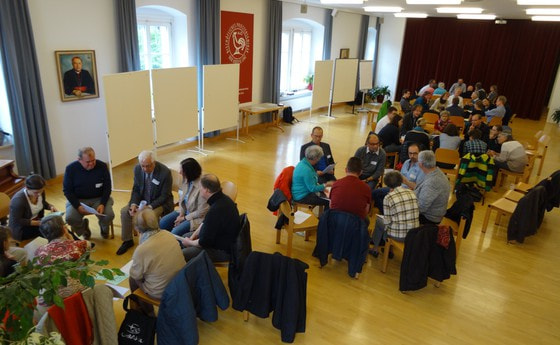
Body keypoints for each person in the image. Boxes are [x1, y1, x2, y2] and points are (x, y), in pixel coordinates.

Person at [117, 150, 174, 255]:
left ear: (154, 163)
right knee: (125, 212)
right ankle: (127, 240)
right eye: (143, 166)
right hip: (143, 200)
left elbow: (164, 196)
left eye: (148, 166)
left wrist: (149, 207)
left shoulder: (164, 172)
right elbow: (136, 189)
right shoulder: (137, 169)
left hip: (160, 203)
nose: (145, 169)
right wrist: (133, 204)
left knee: (150, 216)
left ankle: (150, 244)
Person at [181, 174, 240, 262]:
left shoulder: (216, 209)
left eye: (200, 187)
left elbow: (204, 242)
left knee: (182, 254)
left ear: (207, 190)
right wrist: (192, 237)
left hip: (222, 250)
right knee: (185, 236)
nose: (199, 189)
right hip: (219, 239)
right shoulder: (222, 199)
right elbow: (205, 223)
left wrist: (189, 243)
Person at [129, 209, 185, 300]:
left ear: (137, 229)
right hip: (180, 284)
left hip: (161, 292)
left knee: (132, 279)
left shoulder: (142, 249)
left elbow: (136, 276)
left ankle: (145, 311)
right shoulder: (169, 234)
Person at [63, 147, 114, 239]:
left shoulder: (102, 166)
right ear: (79, 160)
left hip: (99, 199)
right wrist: (77, 206)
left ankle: (104, 228)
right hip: (78, 200)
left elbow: (107, 187)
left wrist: (102, 203)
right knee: (71, 218)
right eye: (88, 162)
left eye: (93, 160)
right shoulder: (70, 169)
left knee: (109, 215)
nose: (91, 164)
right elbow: (67, 191)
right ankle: (84, 229)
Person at [35, 214, 91, 298]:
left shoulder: (39, 251)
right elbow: (84, 263)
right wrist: (72, 241)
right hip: (77, 293)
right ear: (64, 229)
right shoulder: (83, 244)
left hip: (51, 296)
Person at [369, 171, 419, 258]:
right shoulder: (412, 192)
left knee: (379, 221)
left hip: (397, 235)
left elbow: (387, 222)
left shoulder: (389, 197)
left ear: (387, 184)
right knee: (392, 222)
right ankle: (389, 250)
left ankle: (375, 248)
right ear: (401, 181)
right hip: (413, 234)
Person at [159, 158, 209, 237]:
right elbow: (182, 199)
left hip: (196, 217)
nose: (179, 172)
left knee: (175, 232)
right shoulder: (185, 180)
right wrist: (181, 214)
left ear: (189, 173)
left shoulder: (202, 187)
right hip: (185, 212)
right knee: (162, 222)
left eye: (182, 171)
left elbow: (201, 212)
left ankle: (174, 244)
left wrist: (184, 218)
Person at [372, 143, 424, 214]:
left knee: (385, 197)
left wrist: (406, 182)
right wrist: (393, 188)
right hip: (398, 188)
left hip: (408, 193)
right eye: (410, 153)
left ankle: (390, 214)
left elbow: (418, 188)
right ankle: (387, 213)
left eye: (415, 153)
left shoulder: (421, 167)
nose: (412, 156)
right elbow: (399, 179)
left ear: (420, 153)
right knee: (375, 193)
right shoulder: (406, 162)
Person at [9, 174, 57, 241]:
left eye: (41, 191)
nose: (39, 194)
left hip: (37, 221)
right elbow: (17, 220)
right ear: (27, 188)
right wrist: (38, 223)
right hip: (22, 228)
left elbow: (42, 202)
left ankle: (75, 242)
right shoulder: (18, 201)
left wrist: (50, 206)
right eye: (36, 192)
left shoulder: (39, 191)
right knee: (52, 231)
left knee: (58, 227)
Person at [415, 150, 450, 224]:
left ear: (420, 164)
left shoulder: (432, 182)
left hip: (430, 218)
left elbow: (421, 208)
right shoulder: (436, 172)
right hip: (432, 212)